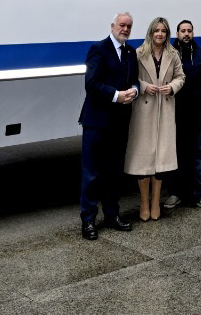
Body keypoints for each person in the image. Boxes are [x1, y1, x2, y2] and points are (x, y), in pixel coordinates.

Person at [79, 12, 138, 239]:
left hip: (120, 122)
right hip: (97, 122)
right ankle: (88, 221)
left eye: (129, 26)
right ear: (113, 26)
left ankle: (112, 215)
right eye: (122, 25)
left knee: (114, 173)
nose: (125, 29)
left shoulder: (131, 52)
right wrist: (116, 95)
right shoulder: (98, 49)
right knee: (92, 173)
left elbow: (134, 79)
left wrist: (135, 89)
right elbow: (91, 84)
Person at [125, 17, 183, 222]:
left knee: (160, 159)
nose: (160, 34)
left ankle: (156, 200)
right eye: (156, 30)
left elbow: (181, 76)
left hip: (165, 108)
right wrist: (143, 86)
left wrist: (172, 87)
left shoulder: (173, 54)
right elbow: (130, 77)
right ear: (151, 32)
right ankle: (143, 201)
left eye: (164, 31)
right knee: (144, 158)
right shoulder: (138, 53)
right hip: (144, 109)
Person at [166, 19, 201, 211]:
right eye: (182, 31)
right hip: (175, 116)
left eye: (189, 31)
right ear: (177, 34)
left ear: (193, 33)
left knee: (198, 156)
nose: (186, 34)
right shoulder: (169, 55)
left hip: (198, 116)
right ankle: (175, 193)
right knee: (175, 156)